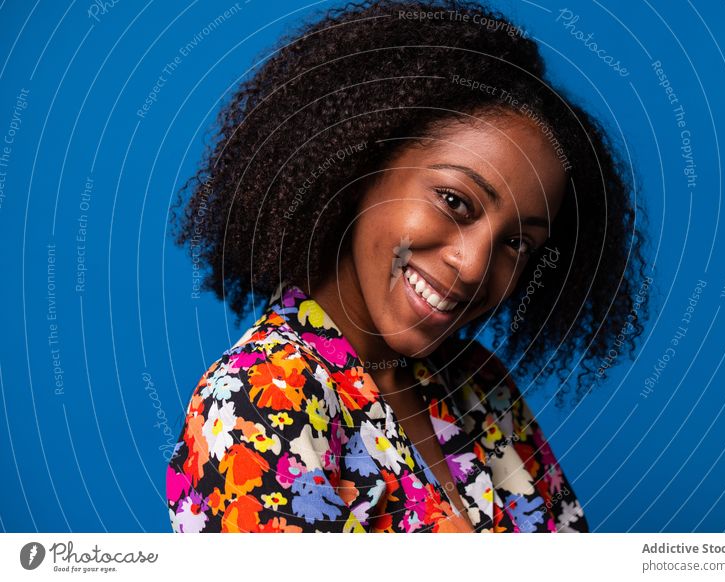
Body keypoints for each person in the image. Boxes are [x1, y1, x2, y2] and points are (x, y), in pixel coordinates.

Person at [167, 0, 648, 533]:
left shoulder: (480, 385)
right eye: (455, 201)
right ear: (363, 163)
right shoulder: (256, 406)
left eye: (517, 243)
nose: (472, 266)